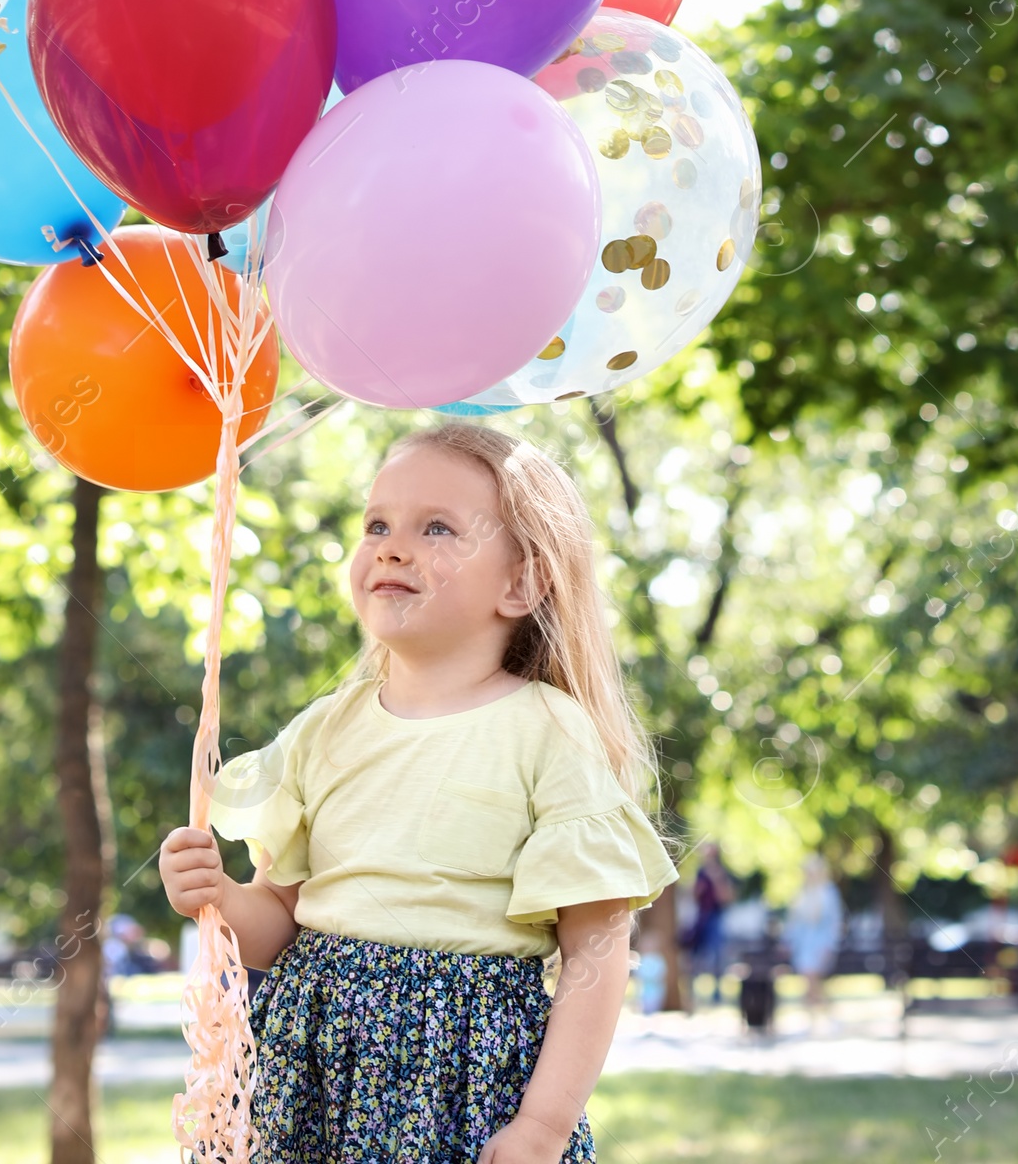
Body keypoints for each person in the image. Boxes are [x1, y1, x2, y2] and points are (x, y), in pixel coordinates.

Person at [160, 422, 675, 1164]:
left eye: (437, 527)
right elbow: (280, 919)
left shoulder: (548, 734)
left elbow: (595, 947)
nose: (392, 546)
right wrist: (217, 896)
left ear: (522, 582)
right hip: (315, 1073)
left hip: (463, 1080)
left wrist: (543, 1126)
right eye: (377, 525)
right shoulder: (326, 728)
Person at [784, 855, 843, 1030]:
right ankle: (814, 1018)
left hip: (821, 944)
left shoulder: (828, 893)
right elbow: (794, 923)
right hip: (804, 945)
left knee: (812, 980)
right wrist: (788, 942)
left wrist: (831, 945)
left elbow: (835, 922)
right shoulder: (802, 893)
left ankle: (822, 1016)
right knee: (809, 981)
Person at [688, 843, 734, 1004]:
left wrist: (716, 879)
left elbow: (726, 897)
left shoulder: (721, 872)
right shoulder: (701, 872)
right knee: (695, 954)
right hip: (702, 916)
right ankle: (692, 990)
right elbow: (695, 895)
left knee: (717, 954)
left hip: (716, 917)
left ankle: (717, 993)